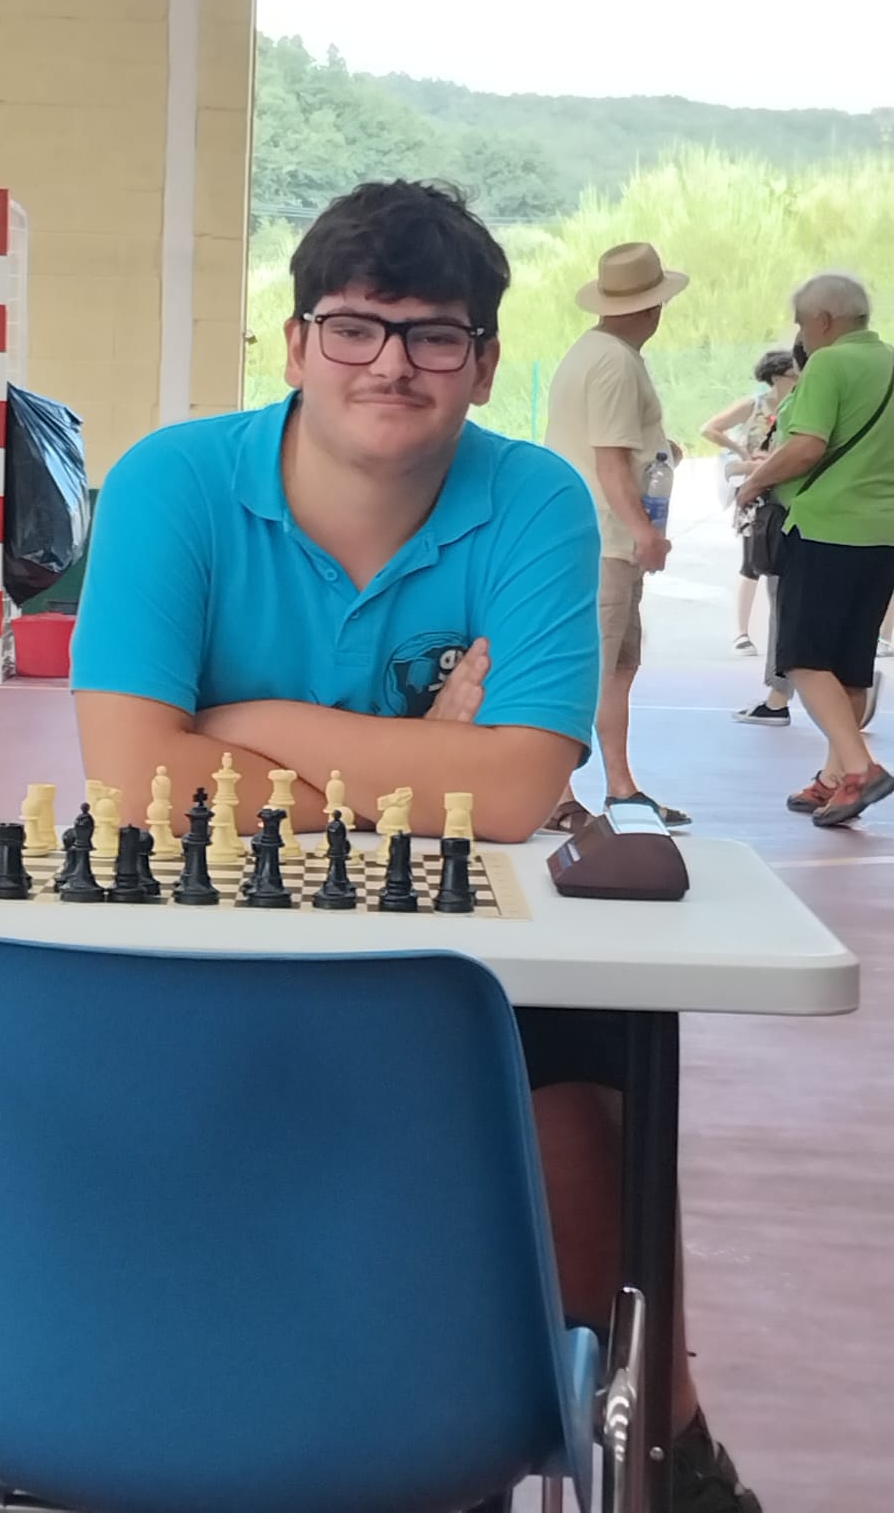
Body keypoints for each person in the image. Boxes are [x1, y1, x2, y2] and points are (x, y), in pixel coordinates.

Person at [71, 183, 760, 1512]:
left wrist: (241, 725)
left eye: (434, 335)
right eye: (355, 327)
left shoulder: (534, 500)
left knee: (590, 1098)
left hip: (455, 956)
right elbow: (136, 781)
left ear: (484, 364)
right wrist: (418, 758)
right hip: (201, 944)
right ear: (296, 343)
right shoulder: (172, 481)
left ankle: (662, 1448)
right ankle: (124, 1414)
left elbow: (516, 790)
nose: (390, 363)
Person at [543, 241, 692, 834]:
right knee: (593, 670)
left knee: (617, 667)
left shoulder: (595, 353)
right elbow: (609, 461)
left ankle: (620, 786)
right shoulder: (615, 362)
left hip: (598, 540)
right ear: (654, 307)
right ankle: (556, 791)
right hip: (605, 540)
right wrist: (643, 530)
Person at [738, 272, 894, 824]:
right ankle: (835, 779)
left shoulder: (829, 364)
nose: (802, 335)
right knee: (849, 665)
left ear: (824, 321)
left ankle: (860, 769)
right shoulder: (889, 362)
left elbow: (807, 446)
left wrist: (754, 482)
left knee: (802, 659)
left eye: (803, 323)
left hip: (826, 527)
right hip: (883, 535)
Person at [702, 349, 799, 660]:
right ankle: (741, 632)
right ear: (777, 377)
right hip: (755, 490)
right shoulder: (754, 404)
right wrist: (741, 451)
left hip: (786, 488)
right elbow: (709, 428)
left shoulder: (799, 405)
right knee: (751, 560)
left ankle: (782, 631)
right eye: (793, 374)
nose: (798, 378)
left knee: (786, 562)